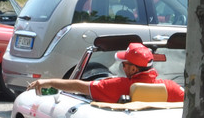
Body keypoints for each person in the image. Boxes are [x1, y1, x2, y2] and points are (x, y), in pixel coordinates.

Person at [26, 42, 184, 103]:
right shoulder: (172, 88)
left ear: (134, 69)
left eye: (124, 64)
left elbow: (79, 86)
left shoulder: (117, 86)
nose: (122, 67)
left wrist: (48, 82)